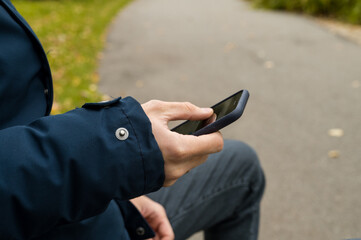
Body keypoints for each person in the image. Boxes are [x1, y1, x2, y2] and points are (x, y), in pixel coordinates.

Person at [0, 0, 265, 239]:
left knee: (242, 163)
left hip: (77, 212)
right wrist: (120, 151)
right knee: (244, 174)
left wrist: (120, 198)